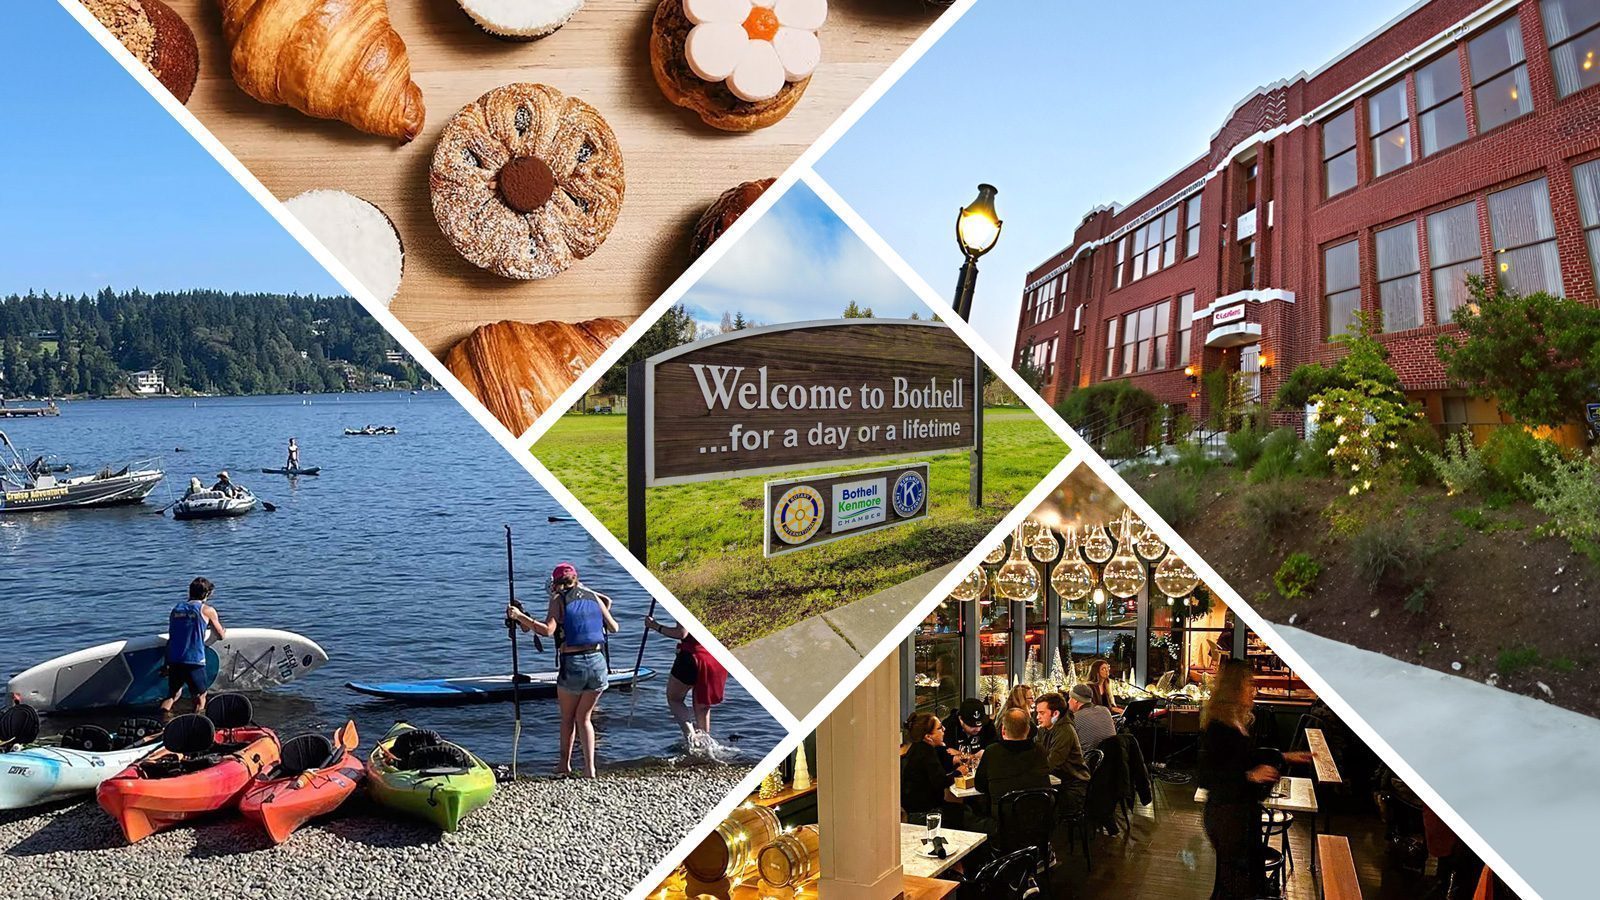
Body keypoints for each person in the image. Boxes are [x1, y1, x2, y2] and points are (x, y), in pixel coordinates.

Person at [1198, 659, 1311, 899]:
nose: (1253, 690)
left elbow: (1245, 757)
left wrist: (1284, 756)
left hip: (1240, 812)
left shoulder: (1236, 721)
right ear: (1234, 688)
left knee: (1236, 885)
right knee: (1236, 886)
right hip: (1225, 814)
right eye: (1249, 684)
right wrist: (1249, 775)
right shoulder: (1218, 726)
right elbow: (1208, 776)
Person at [507, 563, 619, 777]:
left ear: (555, 583)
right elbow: (614, 627)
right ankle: (590, 768)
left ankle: (563, 765)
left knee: (568, 718)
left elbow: (548, 631)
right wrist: (589, 606)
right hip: (598, 663)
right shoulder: (593, 598)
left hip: (573, 663)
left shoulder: (558, 600)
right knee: (584, 718)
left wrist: (520, 617)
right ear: (576, 579)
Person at [646, 615, 729, 746]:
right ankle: (705, 743)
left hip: (693, 657)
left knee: (674, 699)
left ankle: (692, 739)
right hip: (716, 658)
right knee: (703, 704)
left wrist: (655, 626)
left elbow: (682, 633)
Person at [160, 578, 226, 715]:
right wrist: (222, 630)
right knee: (200, 696)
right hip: (194, 660)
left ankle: (164, 721)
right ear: (207, 594)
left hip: (175, 659)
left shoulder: (176, 609)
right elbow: (220, 635)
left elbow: (173, 636)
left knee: (172, 695)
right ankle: (197, 725)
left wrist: (166, 663)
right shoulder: (207, 610)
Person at [972, 708, 1051, 808]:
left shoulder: (992, 751)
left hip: (1003, 818)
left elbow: (980, 786)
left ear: (1003, 730)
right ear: (1028, 730)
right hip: (1039, 815)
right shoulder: (1040, 750)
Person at [901, 711, 965, 827]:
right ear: (928, 736)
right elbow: (941, 782)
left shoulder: (916, 748)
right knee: (964, 816)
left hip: (913, 811)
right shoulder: (926, 752)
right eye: (940, 728)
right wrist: (958, 772)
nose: (944, 729)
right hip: (925, 813)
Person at [1033, 692, 1089, 817]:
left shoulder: (1065, 731)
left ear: (1055, 714)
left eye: (1042, 713)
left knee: (1034, 804)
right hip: (1057, 782)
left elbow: (1051, 765)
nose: (1037, 717)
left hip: (1072, 786)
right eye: (1037, 713)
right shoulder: (1044, 728)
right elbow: (1035, 753)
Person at [1068, 683, 1118, 752]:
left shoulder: (1075, 718)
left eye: (1070, 698)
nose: (1068, 702)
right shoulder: (1105, 710)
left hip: (1089, 760)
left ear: (1076, 700)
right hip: (1112, 758)